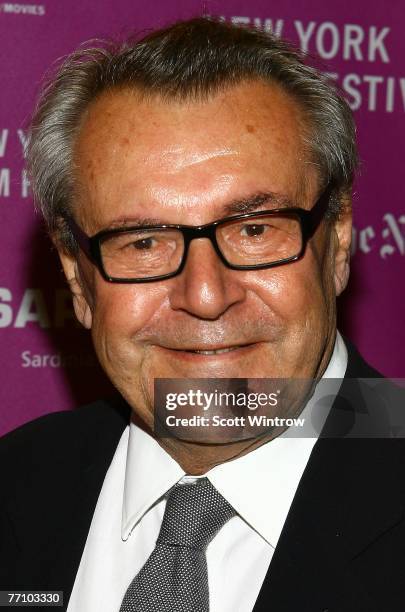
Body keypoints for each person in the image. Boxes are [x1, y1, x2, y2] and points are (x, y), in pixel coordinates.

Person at [1, 17, 404, 612]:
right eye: (143, 243)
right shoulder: (16, 484)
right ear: (76, 280)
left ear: (338, 240)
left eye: (255, 229)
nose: (207, 295)